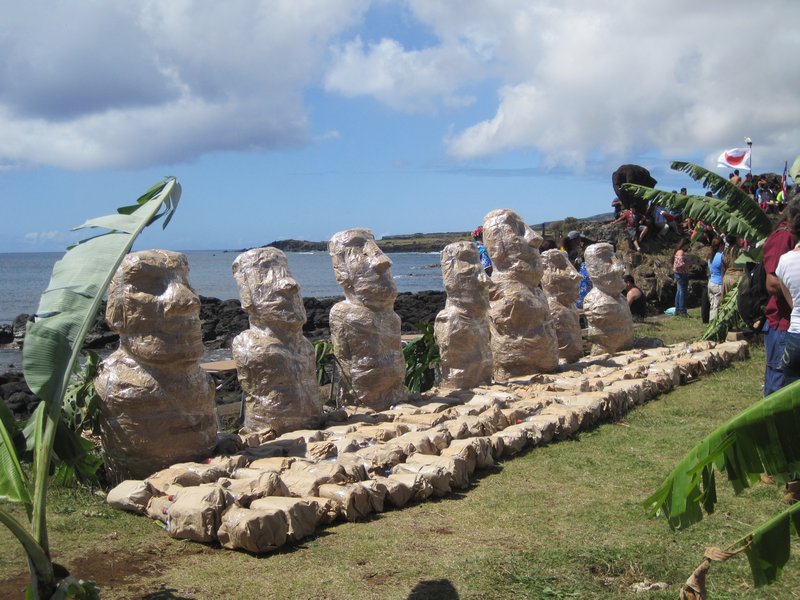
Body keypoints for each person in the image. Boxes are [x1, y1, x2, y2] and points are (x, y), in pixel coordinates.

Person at [763, 212, 794, 396]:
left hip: (790, 326)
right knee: (779, 387)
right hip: (782, 324)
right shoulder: (785, 235)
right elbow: (772, 282)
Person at [707, 237, 725, 321]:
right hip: (718, 283)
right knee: (717, 306)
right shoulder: (721, 256)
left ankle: (711, 321)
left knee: (712, 304)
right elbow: (723, 270)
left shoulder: (710, 256)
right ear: (721, 245)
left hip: (711, 282)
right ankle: (714, 323)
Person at [672, 238, 689, 316]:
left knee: (679, 291)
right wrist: (688, 263)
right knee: (682, 291)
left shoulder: (677, 251)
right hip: (681, 274)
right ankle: (681, 310)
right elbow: (679, 264)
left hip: (678, 274)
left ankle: (678, 309)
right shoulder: (681, 252)